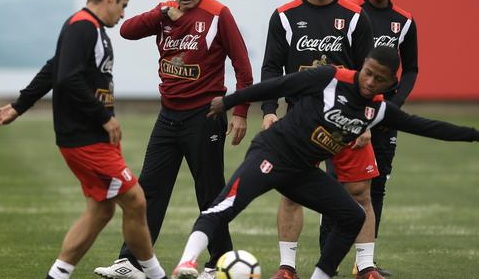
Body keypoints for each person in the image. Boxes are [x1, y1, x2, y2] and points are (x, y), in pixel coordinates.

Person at [171, 46, 479, 279]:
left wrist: (474, 135)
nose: (370, 81)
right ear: (364, 66)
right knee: (226, 205)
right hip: (273, 153)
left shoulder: (380, 110)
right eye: (368, 71)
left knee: (352, 216)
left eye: (379, 79)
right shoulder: (329, 77)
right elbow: (277, 87)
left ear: (389, 84)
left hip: (302, 171)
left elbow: (428, 127)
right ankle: (187, 263)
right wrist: (228, 101)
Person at [0, 0, 168, 279]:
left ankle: (57, 275)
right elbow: (66, 77)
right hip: (85, 138)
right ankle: (156, 275)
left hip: (92, 137)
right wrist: (104, 116)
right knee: (136, 200)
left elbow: (53, 68)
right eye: (123, 5)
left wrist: (19, 106)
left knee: (101, 210)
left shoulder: (89, 28)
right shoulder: (83, 26)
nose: (123, 13)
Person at [94, 0, 253, 279]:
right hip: (168, 117)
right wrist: (159, 14)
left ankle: (219, 263)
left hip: (205, 115)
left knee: (209, 192)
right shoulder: (164, 13)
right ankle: (132, 262)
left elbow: (242, 66)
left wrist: (240, 111)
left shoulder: (217, 14)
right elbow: (126, 30)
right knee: (147, 189)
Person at [260, 0, 380, 278]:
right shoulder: (284, 16)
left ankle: (366, 267)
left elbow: (372, 75)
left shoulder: (356, 18)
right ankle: (287, 267)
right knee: (290, 192)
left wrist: (366, 120)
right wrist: (270, 110)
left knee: (359, 193)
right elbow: (271, 68)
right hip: (299, 121)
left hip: (346, 120)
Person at [320, 0, 418, 277]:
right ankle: (327, 260)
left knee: (376, 187)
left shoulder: (404, 21)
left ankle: (366, 264)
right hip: (347, 114)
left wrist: (393, 106)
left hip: (383, 117)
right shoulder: (348, 10)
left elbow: (411, 68)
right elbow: (340, 63)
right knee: (336, 185)